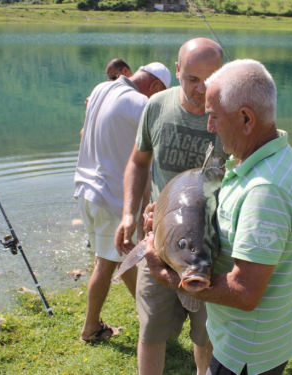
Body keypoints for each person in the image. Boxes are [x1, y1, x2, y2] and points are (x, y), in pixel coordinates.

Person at [144, 59, 292, 375]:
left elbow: (244, 292)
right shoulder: (274, 156)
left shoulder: (266, 190)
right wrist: (171, 220)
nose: (209, 126)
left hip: (245, 353)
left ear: (246, 119)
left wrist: (169, 276)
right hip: (264, 340)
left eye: (213, 117)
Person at [115, 38, 225, 375]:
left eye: (212, 78)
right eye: (193, 79)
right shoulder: (156, 106)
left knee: (206, 338)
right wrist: (129, 212)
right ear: (177, 72)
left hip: (212, 249)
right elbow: (138, 162)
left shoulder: (231, 115)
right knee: (151, 332)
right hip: (158, 243)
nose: (203, 89)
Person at [74, 62, 171, 342]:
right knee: (105, 263)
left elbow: (83, 134)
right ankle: (91, 328)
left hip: (85, 188)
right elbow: (153, 155)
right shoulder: (141, 104)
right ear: (154, 87)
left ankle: (148, 314)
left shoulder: (101, 88)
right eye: (160, 94)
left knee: (123, 255)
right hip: (109, 195)